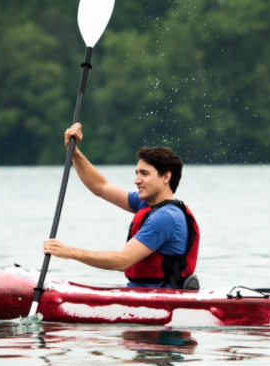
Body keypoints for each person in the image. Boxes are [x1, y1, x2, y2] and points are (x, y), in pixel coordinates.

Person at [43, 123, 201, 289]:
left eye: (144, 174)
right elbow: (100, 187)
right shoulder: (146, 204)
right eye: (137, 173)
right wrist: (74, 152)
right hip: (140, 291)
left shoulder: (165, 218)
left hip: (159, 297)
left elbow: (122, 261)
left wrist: (70, 252)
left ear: (166, 177)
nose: (136, 180)